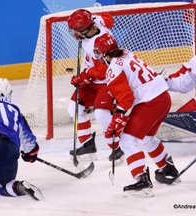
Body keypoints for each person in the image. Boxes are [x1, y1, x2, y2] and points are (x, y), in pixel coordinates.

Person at [93, 33, 180, 196]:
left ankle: (142, 181)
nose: (97, 56)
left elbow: (126, 98)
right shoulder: (127, 54)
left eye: (98, 52)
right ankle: (168, 169)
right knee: (146, 138)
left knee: (127, 140)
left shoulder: (113, 68)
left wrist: (118, 118)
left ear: (105, 52)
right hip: (163, 98)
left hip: (151, 102)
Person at [67, 9, 124, 161]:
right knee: (74, 108)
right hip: (93, 77)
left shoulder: (98, 44)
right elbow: (109, 19)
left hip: (107, 80)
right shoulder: (97, 21)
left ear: (86, 29)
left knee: (101, 114)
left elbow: (105, 70)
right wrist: (94, 16)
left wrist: (85, 76)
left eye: (78, 31)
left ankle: (117, 148)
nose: (75, 35)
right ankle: (87, 145)